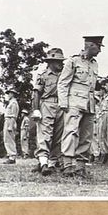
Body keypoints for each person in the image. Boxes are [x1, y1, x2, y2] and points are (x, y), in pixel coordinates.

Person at [58, 36, 104, 178]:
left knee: (87, 135)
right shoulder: (73, 61)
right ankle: (67, 164)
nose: (100, 51)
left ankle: (80, 166)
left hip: (89, 103)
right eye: (98, 47)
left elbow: (93, 85)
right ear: (89, 46)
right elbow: (63, 82)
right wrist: (63, 102)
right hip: (74, 102)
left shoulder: (95, 64)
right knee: (71, 132)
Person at [31, 48, 65, 176]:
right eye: (57, 61)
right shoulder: (43, 75)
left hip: (61, 105)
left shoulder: (64, 75)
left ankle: (51, 163)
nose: (60, 64)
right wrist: (36, 109)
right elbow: (36, 93)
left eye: (61, 61)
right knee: (45, 134)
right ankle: (43, 162)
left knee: (58, 135)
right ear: (50, 62)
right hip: (47, 103)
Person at [3, 88, 20, 164]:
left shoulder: (14, 103)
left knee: (10, 139)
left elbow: (13, 115)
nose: (8, 95)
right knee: (7, 139)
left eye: (9, 93)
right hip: (8, 120)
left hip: (10, 121)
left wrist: (10, 125)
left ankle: (12, 156)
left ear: (13, 94)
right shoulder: (11, 102)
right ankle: (10, 155)